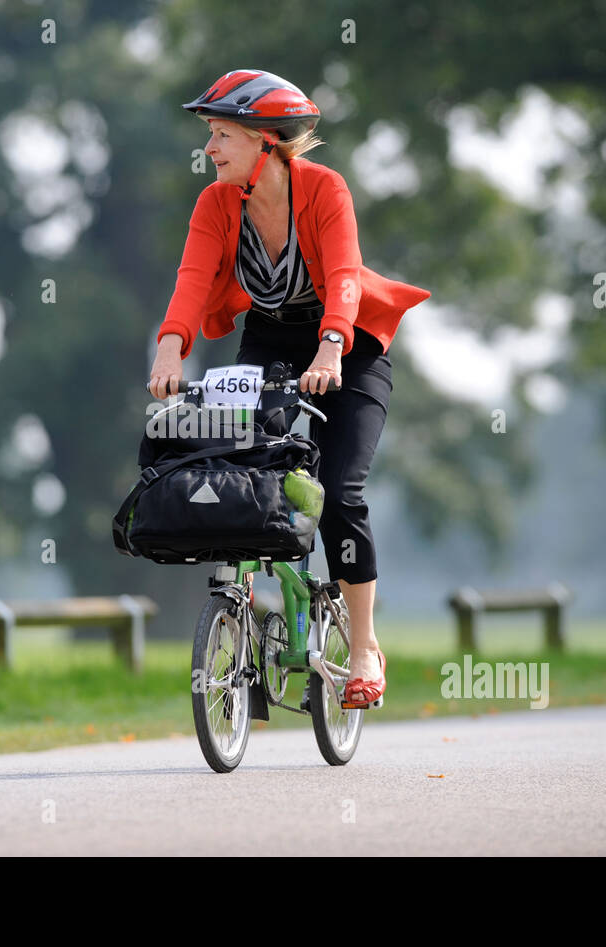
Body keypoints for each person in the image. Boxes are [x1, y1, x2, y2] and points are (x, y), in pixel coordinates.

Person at [148, 69, 430, 707]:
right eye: (210, 137)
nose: (210, 149)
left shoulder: (324, 189)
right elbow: (194, 278)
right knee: (236, 464)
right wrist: (171, 346)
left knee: (341, 491)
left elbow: (344, 276)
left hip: (349, 345)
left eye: (221, 136)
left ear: (264, 141)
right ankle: (246, 609)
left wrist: (332, 346)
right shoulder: (215, 204)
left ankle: (363, 650)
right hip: (270, 339)